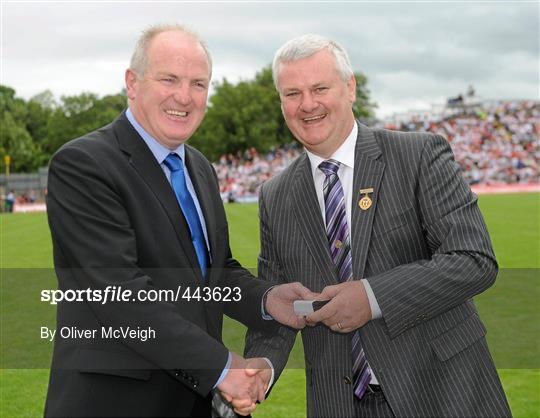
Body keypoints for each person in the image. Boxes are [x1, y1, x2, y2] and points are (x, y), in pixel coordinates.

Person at [44, 24, 314, 417]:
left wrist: (268, 300)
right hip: (114, 403)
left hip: (191, 403)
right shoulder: (84, 164)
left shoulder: (199, 167)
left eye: (198, 83)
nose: (184, 97)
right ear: (132, 83)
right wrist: (223, 368)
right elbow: (122, 295)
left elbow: (212, 274)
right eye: (169, 79)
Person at [244, 34, 511, 417]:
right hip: (341, 405)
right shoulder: (275, 195)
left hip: (443, 395)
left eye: (320, 88)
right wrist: (259, 370)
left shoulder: (418, 154)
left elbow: (473, 259)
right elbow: (280, 304)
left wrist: (372, 297)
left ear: (349, 87)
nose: (307, 104)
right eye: (292, 93)